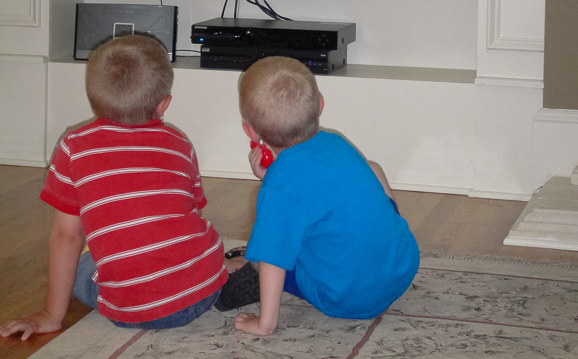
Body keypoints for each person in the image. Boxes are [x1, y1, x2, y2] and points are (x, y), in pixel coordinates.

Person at [0, 35, 228, 339]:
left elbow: (67, 235)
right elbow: (191, 210)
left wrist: (52, 314)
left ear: (93, 96)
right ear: (164, 104)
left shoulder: (73, 148)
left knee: (84, 265)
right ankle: (230, 268)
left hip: (133, 312)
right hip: (205, 291)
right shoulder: (180, 143)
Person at [216, 57, 419, 335]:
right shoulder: (335, 141)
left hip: (348, 299)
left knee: (264, 248)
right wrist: (274, 180)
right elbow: (322, 185)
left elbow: (274, 256)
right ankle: (381, 250)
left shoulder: (279, 187)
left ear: (250, 132)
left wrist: (264, 324)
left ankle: (244, 263)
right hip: (402, 268)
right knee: (373, 169)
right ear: (320, 104)